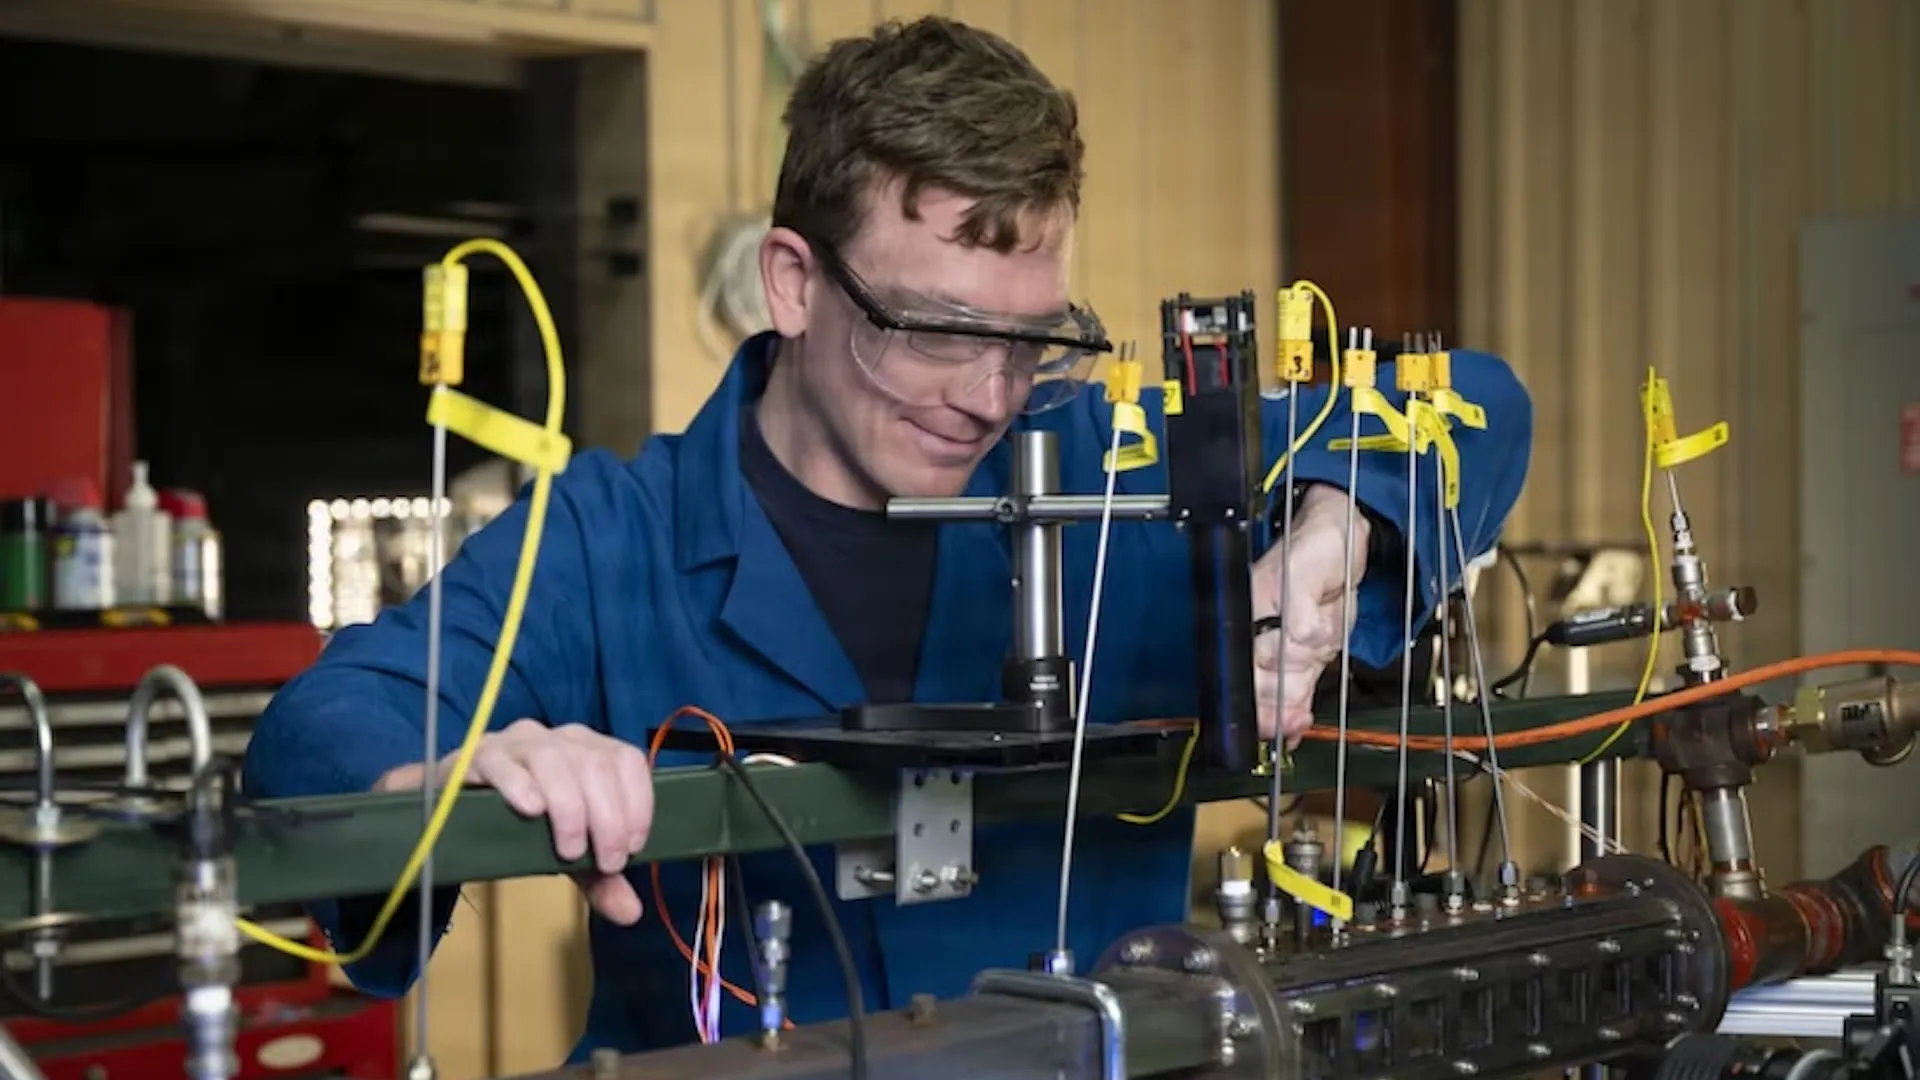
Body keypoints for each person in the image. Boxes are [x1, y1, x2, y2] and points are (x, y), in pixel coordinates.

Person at [244, 14, 1533, 1062]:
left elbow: (1477, 406)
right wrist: (460, 764)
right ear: (795, 282)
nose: (990, 394)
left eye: (1033, 337)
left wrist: (1330, 536)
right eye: (935, 330)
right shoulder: (607, 539)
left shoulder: (1117, 463)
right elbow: (324, 725)